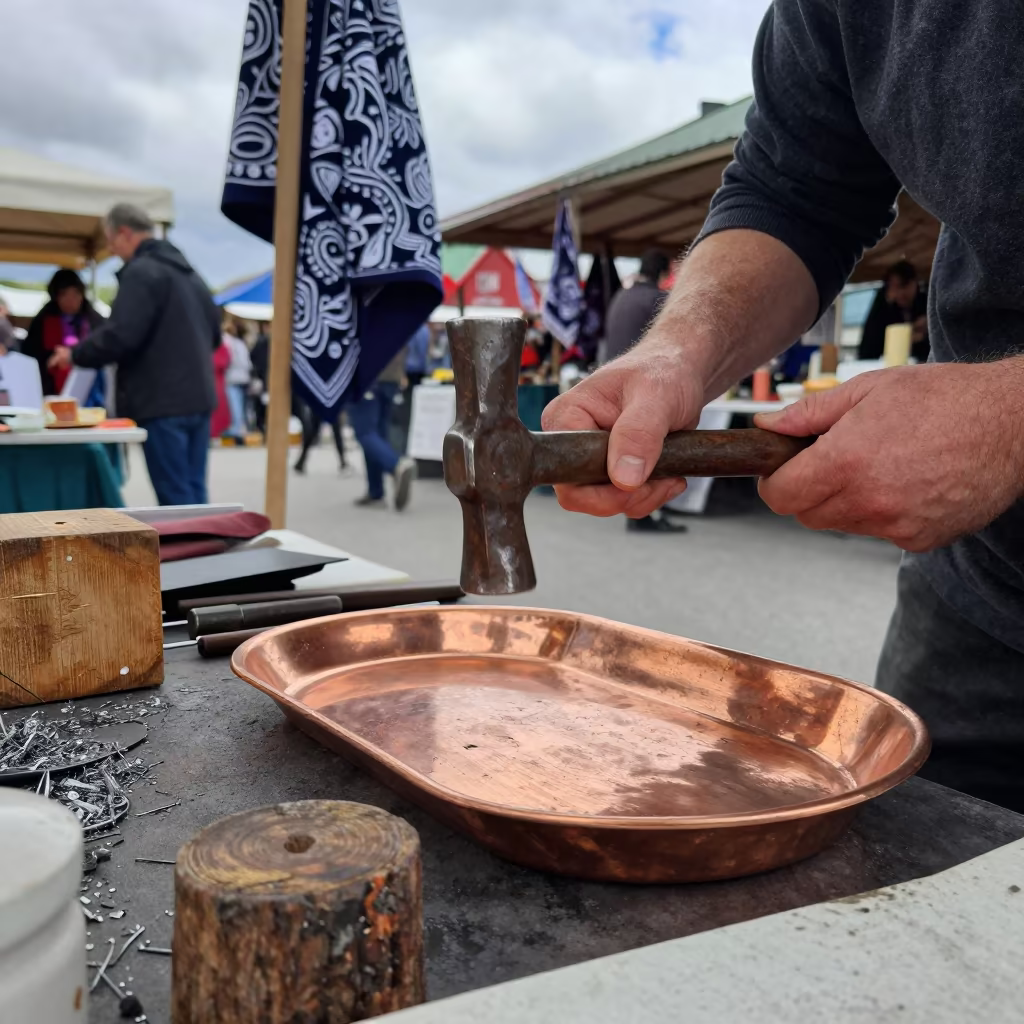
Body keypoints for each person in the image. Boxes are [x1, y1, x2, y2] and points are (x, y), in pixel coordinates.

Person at [542, 0, 1024, 812]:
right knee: (912, 891)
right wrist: (678, 349)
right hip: (981, 595)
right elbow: (792, 192)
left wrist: (1006, 420)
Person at [50, 203, 220, 506]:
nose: (112, 250)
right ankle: (206, 550)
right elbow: (215, 335)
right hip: (198, 397)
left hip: (162, 402)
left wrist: (75, 354)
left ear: (125, 233)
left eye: (111, 241)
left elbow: (121, 334)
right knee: (195, 493)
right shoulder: (192, 275)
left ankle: (193, 552)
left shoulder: (142, 272)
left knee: (177, 498)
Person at [600, 249, 684, 534]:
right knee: (652, 450)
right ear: (663, 273)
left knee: (630, 448)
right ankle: (644, 513)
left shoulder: (621, 296)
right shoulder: (657, 299)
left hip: (612, 383)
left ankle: (637, 509)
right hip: (645, 385)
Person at [349, 346, 417, 510]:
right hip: (392, 376)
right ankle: (375, 491)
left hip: (368, 374)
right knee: (377, 434)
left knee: (364, 432)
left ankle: (396, 466)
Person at [23, 270, 105, 396]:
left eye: (76, 294)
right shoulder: (43, 320)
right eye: (64, 295)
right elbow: (30, 353)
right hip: (49, 387)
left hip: (89, 388)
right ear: (55, 296)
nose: (70, 300)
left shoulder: (93, 319)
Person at [858, 260, 930, 363]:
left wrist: (924, 333)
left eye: (903, 285)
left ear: (915, 283)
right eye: (894, 287)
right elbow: (868, 346)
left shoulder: (925, 304)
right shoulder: (883, 308)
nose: (900, 293)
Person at [222, 319, 252, 442]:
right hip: (241, 377)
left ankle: (235, 429)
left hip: (232, 377)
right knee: (239, 404)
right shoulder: (240, 343)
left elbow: (230, 359)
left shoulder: (229, 342)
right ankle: (238, 428)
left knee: (234, 405)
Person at [404, 323, 430, 390]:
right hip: (419, 367)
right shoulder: (424, 330)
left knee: (409, 391)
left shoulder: (408, 328)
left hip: (409, 366)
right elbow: (423, 350)